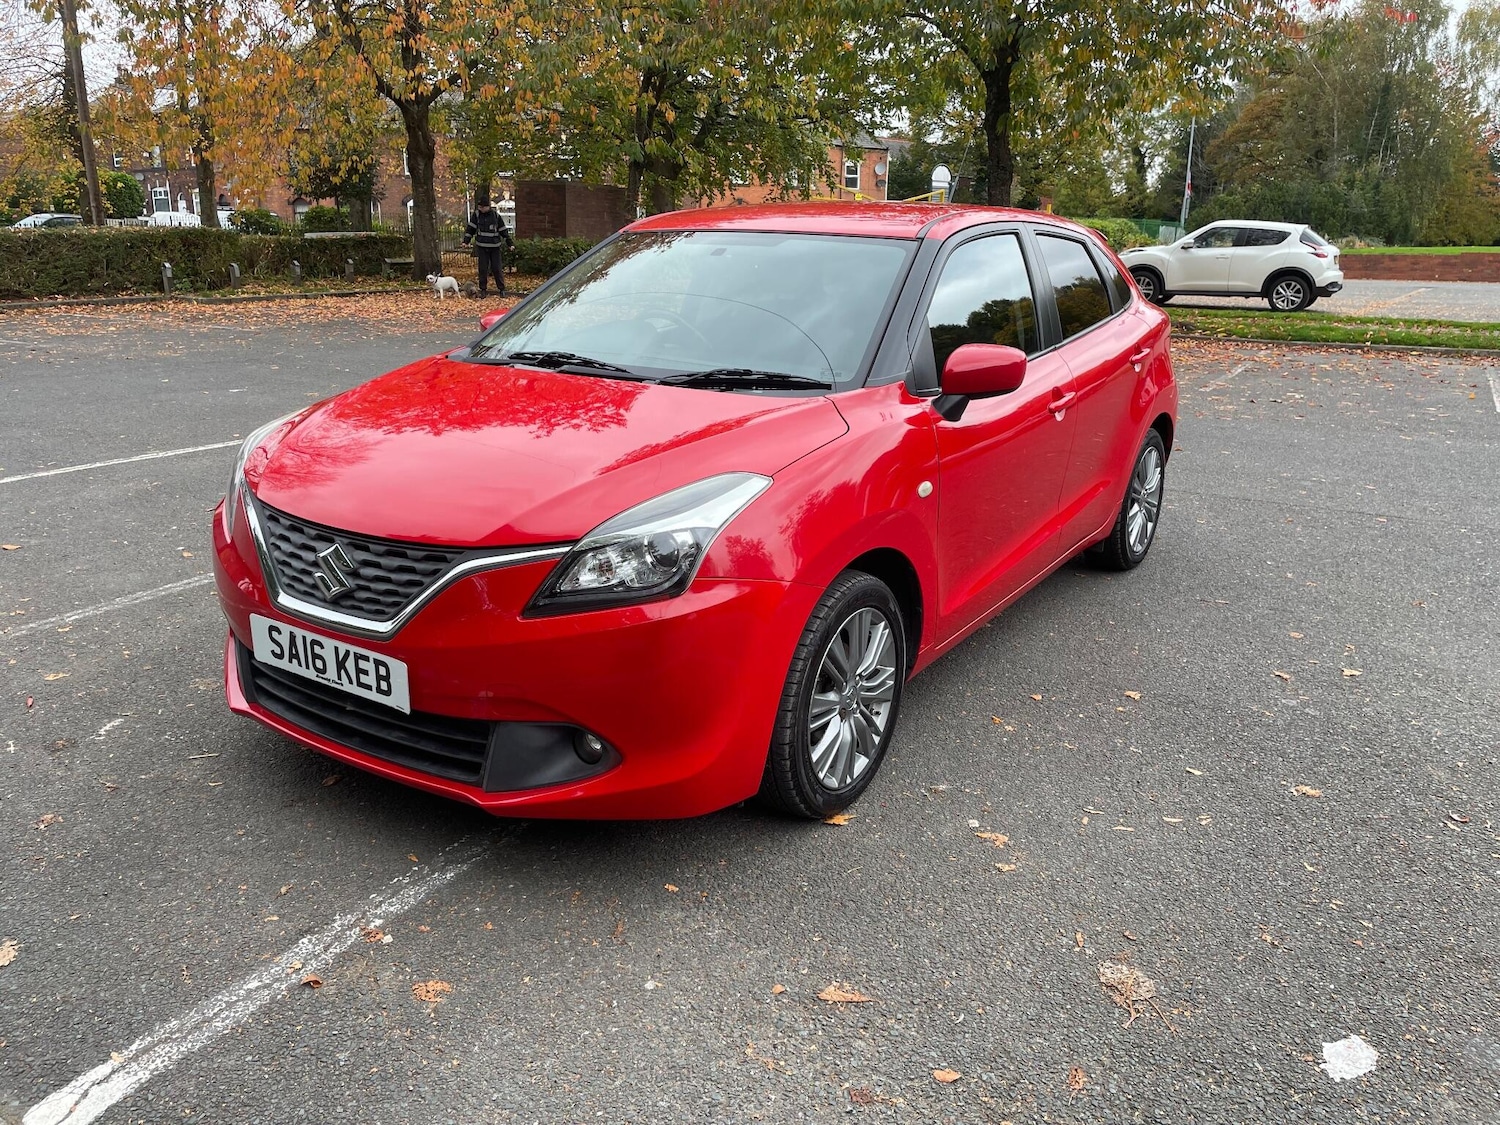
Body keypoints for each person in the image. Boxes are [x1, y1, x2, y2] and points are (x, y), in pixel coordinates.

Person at [462, 200, 515, 297]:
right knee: (483, 269)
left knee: (497, 268)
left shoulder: (495, 216)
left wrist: (510, 244)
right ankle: (483, 290)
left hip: (495, 247)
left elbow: (503, 231)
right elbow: (470, 229)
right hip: (482, 246)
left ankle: (501, 289)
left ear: (487, 207)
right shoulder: (477, 215)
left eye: (482, 207)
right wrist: (466, 241)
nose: (480, 209)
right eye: (479, 207)